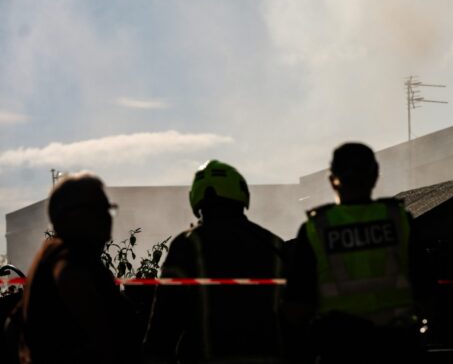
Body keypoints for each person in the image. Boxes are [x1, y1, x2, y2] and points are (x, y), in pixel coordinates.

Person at [285, 143, 428, 364]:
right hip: (399, 349)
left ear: (333, 180)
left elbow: (297, 308)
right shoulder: (399, 221)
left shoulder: (315, 230)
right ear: (374, 176)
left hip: (341, 351)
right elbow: (426, 289)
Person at [143, 160, 287, 364]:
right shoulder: (275, 245)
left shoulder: (187, 244)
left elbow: (164, 324)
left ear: (196, 198)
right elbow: (297, 316)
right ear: (241, 194)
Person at [20, 172, 141, 364]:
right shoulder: (68, 259)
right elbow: (104, 337)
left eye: (109, 209)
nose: (108, 218)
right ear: (74, 215)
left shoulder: (53, 255)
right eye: (101, 209)